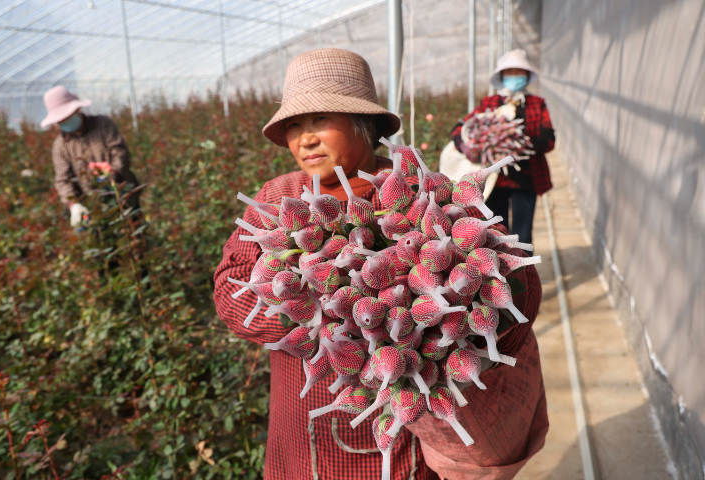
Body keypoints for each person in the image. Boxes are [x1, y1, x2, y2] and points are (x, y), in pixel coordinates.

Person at [214, 48, 548, 480]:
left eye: (320, 120)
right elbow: (230, 290)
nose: (305, 138)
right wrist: (326, 317)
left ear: (365, 124)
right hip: (308, 427)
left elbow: (523, 285)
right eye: (294, 125)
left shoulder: (421, 187)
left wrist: (468, 325)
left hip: (409, 431)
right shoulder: (278, 197)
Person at [452, 49, 555, 244]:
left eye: (519, 72)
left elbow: (548, 140)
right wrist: (465, 148)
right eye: (510, 72)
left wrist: (519, 145)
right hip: (494, 181)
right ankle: (501, 273)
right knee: (496, 233)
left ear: (526, 75)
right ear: (501, 76)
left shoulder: (536, 104)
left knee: (522, 235)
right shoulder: (489, 103)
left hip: (526, 180)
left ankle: (524, 271)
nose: (514, 77)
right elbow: (459, 128)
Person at [41, 86, 141, 227]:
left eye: (67, 116)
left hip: (123, 196)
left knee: (133, 232)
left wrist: (112, 173)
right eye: (61, 120)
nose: (65, 121)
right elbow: (63, 180)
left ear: (77, 110)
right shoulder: (60, 146)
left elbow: (120, 151)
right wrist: (73, 205)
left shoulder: (103, 125)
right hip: (95, 208)